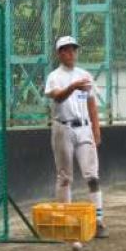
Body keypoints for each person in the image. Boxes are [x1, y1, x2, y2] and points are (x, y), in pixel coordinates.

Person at [44, 36, 108, 238]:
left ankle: (98, 222)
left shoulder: (85, 75)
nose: (70, 52)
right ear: (59, 53)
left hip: (84, 128)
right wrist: (72, 87)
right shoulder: (55, 76)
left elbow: (91, 105)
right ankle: (66, 221)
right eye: (65, 49)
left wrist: (97, 130)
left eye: (73, 49)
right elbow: (58, 97)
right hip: (63, 128)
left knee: (93, 175)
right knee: (65, 177)